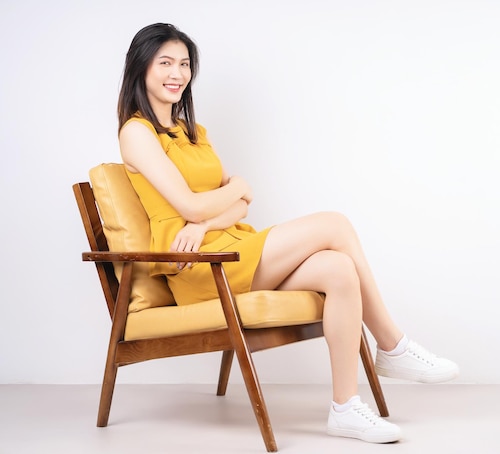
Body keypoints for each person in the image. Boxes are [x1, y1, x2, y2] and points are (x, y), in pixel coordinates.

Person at [117, 23, 459, 444]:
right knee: (335, 223)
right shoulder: (136, 133)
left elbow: (241, 204)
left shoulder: (194, 132)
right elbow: (195, 202)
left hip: (228, 245)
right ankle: (392, 345)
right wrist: (234, 189)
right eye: (165, 63)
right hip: (200, 267)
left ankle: (346, 408)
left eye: (184, 64)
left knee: (338, 269)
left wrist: (214, 214)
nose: (177, 73)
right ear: (142, 68)